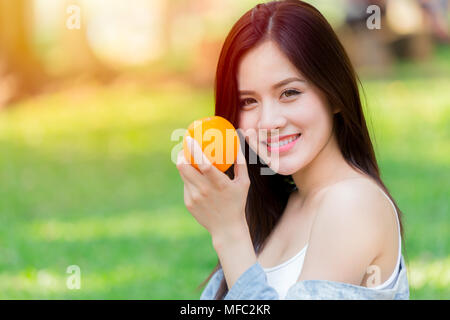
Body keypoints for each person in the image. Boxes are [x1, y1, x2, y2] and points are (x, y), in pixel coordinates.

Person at [176, 0, 409, 300]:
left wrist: (229, 233)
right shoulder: (277, 208)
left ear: (335, 95)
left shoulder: (353, 203)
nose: (269, 122)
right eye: (248, 101)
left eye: (289, 93)